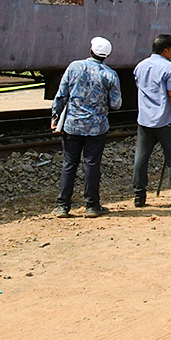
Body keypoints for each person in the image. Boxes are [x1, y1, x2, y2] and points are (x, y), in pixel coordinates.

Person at [50, 37, 122, 218]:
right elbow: (116, 104)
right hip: (97, 128)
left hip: (72, 125)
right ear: (106, 56)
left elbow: (61, 95)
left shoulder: (74, 67)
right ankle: (92, 206)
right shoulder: (110, 75)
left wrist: (55, 116)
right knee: (92, 165)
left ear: (91, 51)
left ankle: (62, 206)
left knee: (69, 164)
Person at [133, 34, 171, 209]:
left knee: (141, 159)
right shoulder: (170, 68)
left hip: (144, 121)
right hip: (165, 121)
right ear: (166, 50)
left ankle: (139, 196)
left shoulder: (140, 66)